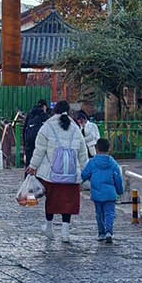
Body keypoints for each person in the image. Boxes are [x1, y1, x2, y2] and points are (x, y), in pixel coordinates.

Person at [29, 99, 88, 240]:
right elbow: (83, 152)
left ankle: (49, 227)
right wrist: (85, 171)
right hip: (71, 174)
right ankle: (65, 232)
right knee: (68, 203)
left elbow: (39, 150)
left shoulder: (47, 127)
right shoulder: (75, 128)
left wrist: (33, 166)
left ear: (54, 111)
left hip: (51, 173)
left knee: (51, 201)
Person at [80, 139, 126, 242]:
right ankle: (109, 232)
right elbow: (118, 178)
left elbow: (84, 175)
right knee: (109, 213)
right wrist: (120, 191)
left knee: (99, 214)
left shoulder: (92, 163)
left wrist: (80, 182)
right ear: (109, 149)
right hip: (110, 193)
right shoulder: (113, 163)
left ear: (96, 149)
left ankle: (101, 233)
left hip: (97, 193)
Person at [21, 100, 49, 166]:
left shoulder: (30, 114)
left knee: (29, 166)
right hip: (39, 145)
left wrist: (25, 146)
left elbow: (24, 130)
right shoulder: (44, 116)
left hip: (29, 145)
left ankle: (28, 176)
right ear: (44, 106)